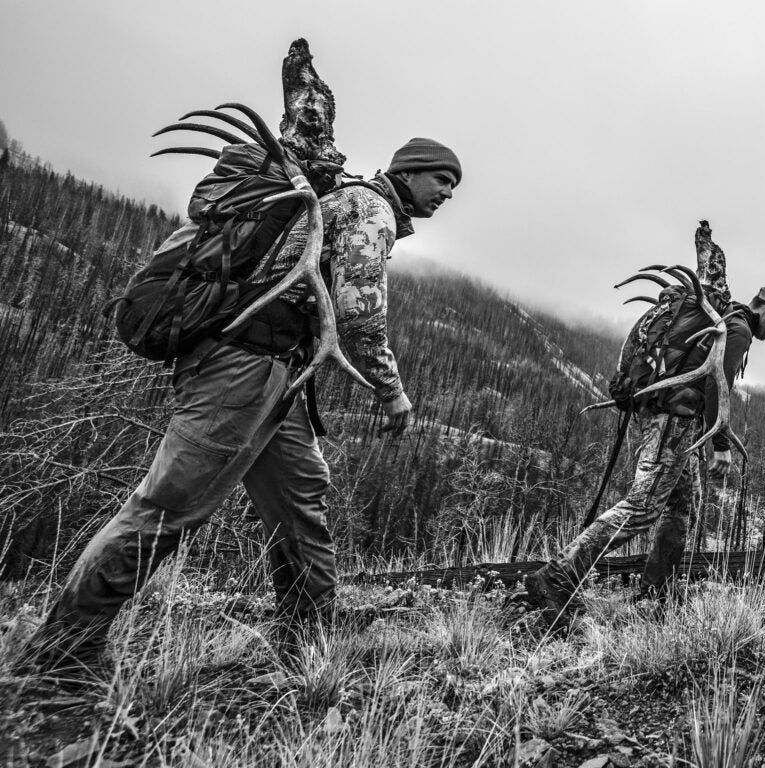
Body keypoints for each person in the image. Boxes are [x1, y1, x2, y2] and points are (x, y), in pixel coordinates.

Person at [26, 137, 462, 675]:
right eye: (442, 179)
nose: (447, 193)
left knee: (299, 498)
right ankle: (63, 648)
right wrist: (390, 388)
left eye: (453, 185)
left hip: (279, 373)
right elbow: (360, 312)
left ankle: (308, 634)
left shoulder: (352, 200)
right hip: (244, 369)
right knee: (168, 506)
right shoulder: (371, 209)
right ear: (410, 173)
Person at [525, 234, 765, 622]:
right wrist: (720, 444)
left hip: (672, 421)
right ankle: (558, 575)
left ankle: (656, 591)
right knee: (642, 508)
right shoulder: (739, 330)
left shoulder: (727, 320)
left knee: (683, 507)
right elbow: (717, 384)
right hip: (673, 423)